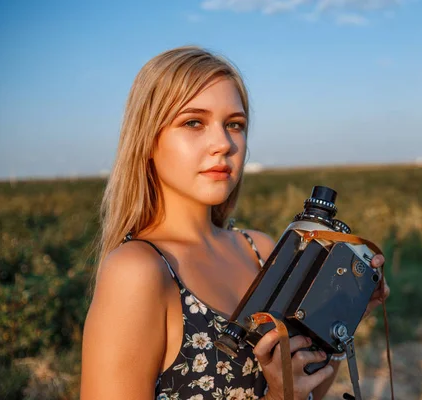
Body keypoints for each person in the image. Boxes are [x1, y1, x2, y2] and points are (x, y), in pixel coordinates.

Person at [80, 45, 390, 400]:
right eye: (193, 122)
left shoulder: (259, 249)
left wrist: (342, 318)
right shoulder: (139, 270)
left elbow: (306, 392)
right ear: (148, 140)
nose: (223, 143)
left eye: (235, 125)